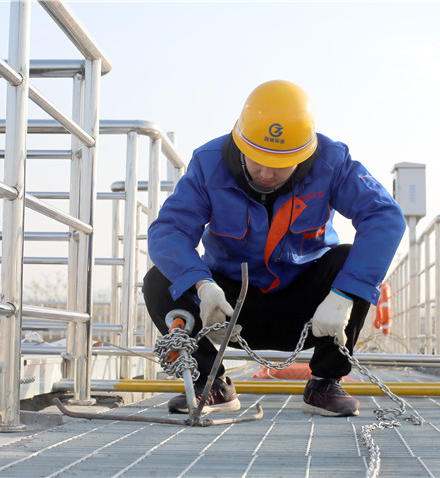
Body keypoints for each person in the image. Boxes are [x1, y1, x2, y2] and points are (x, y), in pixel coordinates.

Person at [142, 80, 406, 417]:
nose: (266, 173)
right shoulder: (209, 164)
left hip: (310, 311)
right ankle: (210, 383)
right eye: (257, 159)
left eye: (280, 163)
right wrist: (202, 285)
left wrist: (344, 294)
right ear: (241, 143)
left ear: (304, 154)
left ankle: (325, 383)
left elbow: (385, 217)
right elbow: (169, 231)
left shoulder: (332, 162)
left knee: (347, 261)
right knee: (160, 280)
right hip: (227, 309)